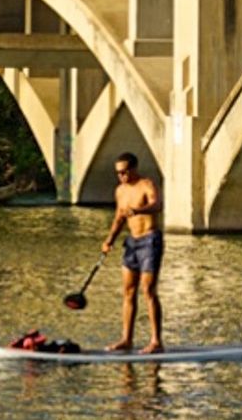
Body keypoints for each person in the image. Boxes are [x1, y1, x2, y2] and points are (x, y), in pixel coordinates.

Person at [101, 151, 163, 354]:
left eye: (125, 172)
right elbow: (119, 218)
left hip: (149, 240)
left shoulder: (146, 184)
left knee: (148, 290)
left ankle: (156, 342)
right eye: (118, 173)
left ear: (134, 169)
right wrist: (109, 240)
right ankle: (126, 339)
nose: (122, 176)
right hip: (131, 242)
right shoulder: (120, 191)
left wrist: (138, 210)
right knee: (128, 291)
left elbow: (157, 205)